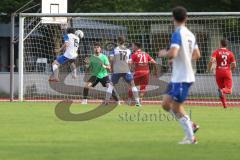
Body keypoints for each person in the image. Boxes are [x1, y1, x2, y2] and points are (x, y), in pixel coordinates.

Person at [159, 6, 201, 144]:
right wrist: (184, 58)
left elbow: (173, 53)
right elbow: (197, 55)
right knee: (166, 104)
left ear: (173, 18)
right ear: (186, 18)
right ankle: (191, 125)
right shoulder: (191, 34)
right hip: (177, 77)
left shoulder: (178, 33)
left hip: (183, 77)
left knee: (176, 107)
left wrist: (164, 54)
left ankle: (191, 139)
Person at [107, 36, 141, 107]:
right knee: (132, 85)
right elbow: (130, 62)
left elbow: (111, 59)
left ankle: (106, 101)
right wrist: (130, 69)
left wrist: (111, 67)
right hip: (126, 70)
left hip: (117, 70)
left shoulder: (115, 50)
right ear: (124, 42)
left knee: (111, 85)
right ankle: (137, 102)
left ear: (118, 41)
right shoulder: (128, 50)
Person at [207, 39, 236, 108]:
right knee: (228, 90)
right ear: (227, 45)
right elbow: (234, 65)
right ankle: (222, 91)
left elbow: (211, 61)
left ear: (220, 44)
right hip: (227, 71)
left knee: (221, 90)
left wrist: (209, 69)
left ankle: (225, 106)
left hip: (218, 72)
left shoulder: (216, 52)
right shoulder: (230, 53)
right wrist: (230, 70)